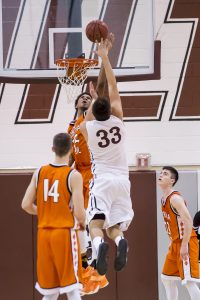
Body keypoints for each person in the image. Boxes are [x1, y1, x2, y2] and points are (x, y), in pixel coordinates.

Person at [80, 38, 134, 276]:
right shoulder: (119, 119)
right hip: (123, 181)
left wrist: (91, 100)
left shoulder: (87, 128)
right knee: (113, 225)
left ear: (92, 110)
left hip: (102, 180)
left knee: (95, 224)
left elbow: (89, 114)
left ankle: (100, 246)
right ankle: (120, 240)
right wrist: (106, 57)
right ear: (110, 109)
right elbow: (113, 86)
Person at [67, 34, 114, 295]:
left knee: (89, 224)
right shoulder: (71, 127)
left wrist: (102, 58)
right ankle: (87, 276)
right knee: (79, 228)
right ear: (75, 103)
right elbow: (71, 156)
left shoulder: (92, 120)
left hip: (93, 174)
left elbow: (102, 92)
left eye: (89, 97)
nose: (85, 98)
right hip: (77, 176)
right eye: (82, 97)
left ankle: (94, 271)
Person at [21, 133, 85, 300]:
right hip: (63, 234)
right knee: (72, 288)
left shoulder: (39, 172)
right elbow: (79, 213)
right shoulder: (74, 175)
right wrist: (84, 224)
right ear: (71, 150)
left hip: (44, 235)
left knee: (50, 291)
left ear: (52, 149)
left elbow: (26, 205)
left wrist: (45, 211)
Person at [158, 166, 200, 300]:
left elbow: (188, 221)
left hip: (185, 242)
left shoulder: (175, 198)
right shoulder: (164, 198)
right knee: (167, 278)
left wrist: (184, 245)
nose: (161, 175)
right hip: (175, 244)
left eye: (165, 174)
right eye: (161, 173)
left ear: (172, 180)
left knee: (189, 282)